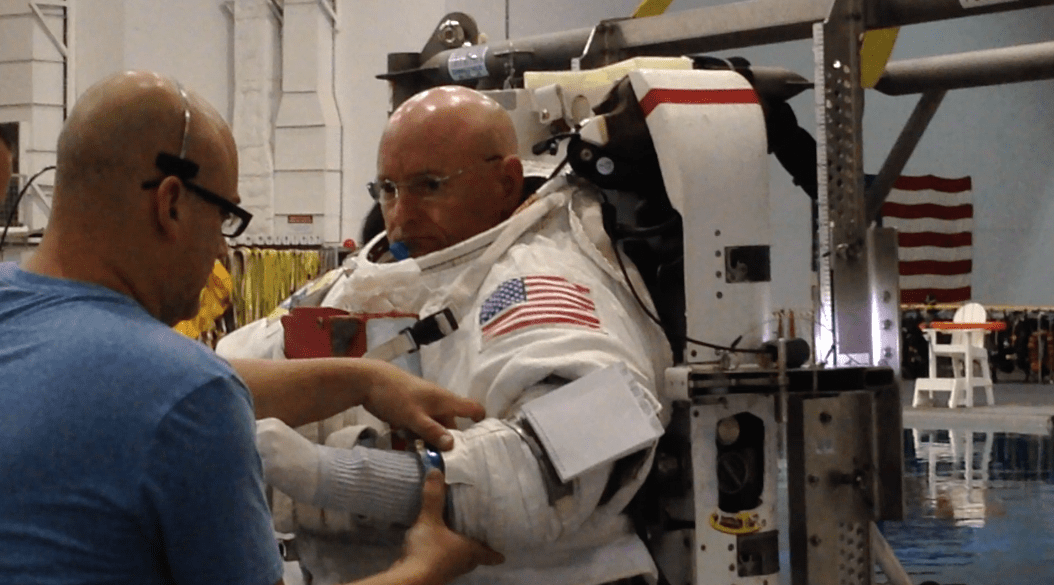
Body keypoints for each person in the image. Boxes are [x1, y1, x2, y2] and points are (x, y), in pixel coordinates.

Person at [0, 71, 502, 585]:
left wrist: (363, 379)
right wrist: (424, 566)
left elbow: (131, 383)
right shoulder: (189, 395)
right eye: (223, 219)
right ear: (170, 202)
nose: (223, 250)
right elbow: (184, 390)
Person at [217, 85, 674, 585]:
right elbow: (222, 385)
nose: (401, 215)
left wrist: (326, 475)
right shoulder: (352, 287)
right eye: (388, 189)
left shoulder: (540, 277)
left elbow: (548, 469)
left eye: (429, 186)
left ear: (505, 183)